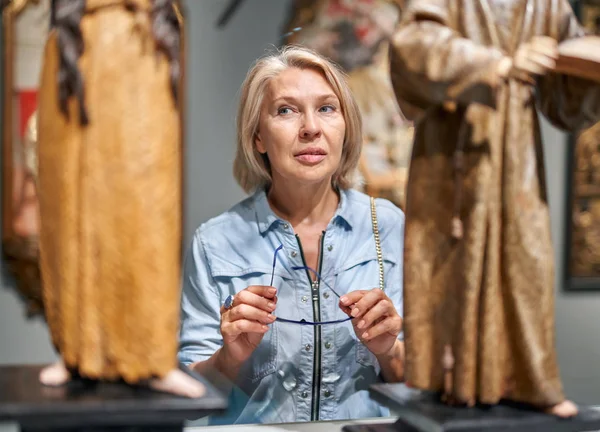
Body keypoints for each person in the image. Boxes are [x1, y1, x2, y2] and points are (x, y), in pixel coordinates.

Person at [387, 0, 600, 418]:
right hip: (455, 156)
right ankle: (456, 380)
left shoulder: (548, 4)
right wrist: (497, 65)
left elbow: (565, 96)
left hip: (517, 157)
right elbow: (412, 46)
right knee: (454, 259)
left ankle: (530, 379)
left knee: (527, 259)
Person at [178, 45, 405, 424]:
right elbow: (189, 399)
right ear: (257, 138)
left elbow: (427, 388)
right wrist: (229, 358)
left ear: (345, 127)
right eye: (286, 110)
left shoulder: (391, 226)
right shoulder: (214, 243)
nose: (311, 128)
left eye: (327, 108)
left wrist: (389, 351)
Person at [37, 0, 203, 397]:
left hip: (140, 56)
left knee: (146, 215)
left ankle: (153, 355)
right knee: (71, 208)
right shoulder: (72, 33)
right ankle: (75, 350)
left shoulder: (151, 28)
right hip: (76, 55)